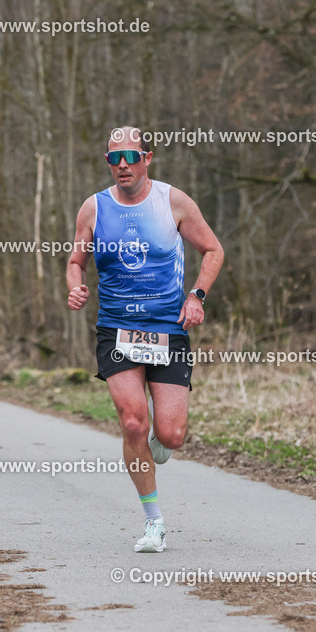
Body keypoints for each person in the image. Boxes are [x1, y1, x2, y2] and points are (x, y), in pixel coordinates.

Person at [66, 126, 224, 553]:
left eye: (130, 157)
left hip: (168, 328)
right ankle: (154, 521)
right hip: (116, 327)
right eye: (113, 158)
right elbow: (76, 260)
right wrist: (75, 285)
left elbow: (214, 249)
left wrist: (197, 295)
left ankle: (159, 437)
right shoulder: (93, 208)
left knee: (170, 436)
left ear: (147, 158)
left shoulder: (172, 202)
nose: (122, 165)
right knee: (133, 421)